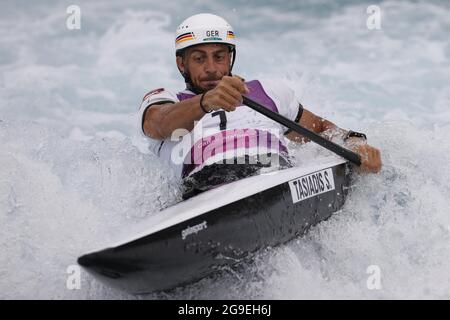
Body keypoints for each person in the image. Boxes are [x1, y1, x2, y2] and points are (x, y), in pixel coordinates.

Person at [138, 13, 382, 198]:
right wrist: (204, 103)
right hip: (203, 192)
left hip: (276, 178)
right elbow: (159, 123)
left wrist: (354, 140)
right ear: (182, 64)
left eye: (219, 56)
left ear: (230, 58)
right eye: (199, 58)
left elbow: (320, 130)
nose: (211, 68)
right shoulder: (166, 99)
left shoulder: (268, 92)